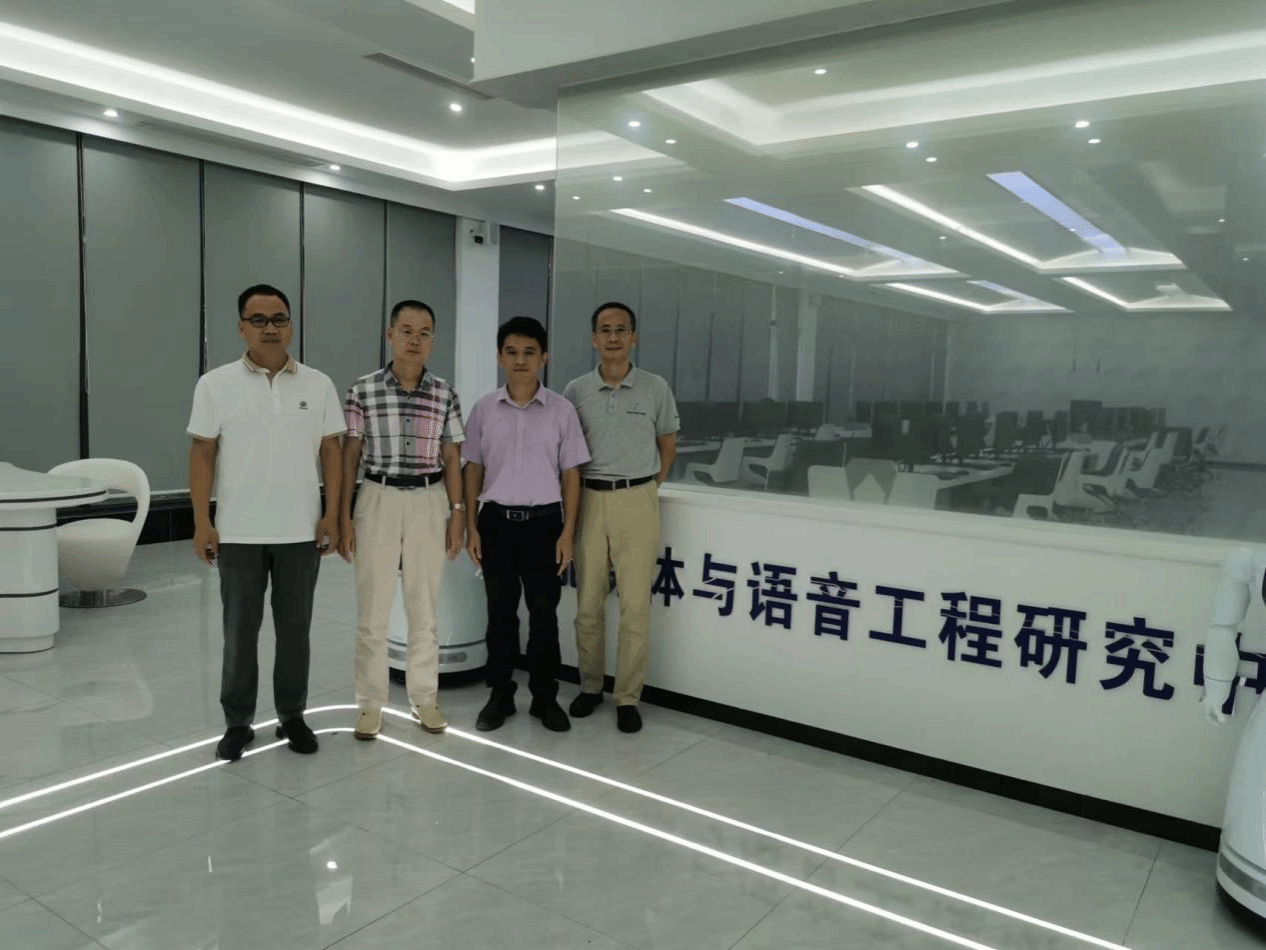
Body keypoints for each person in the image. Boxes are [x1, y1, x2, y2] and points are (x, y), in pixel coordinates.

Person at [188, 284, 344, 761]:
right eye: (258, 320)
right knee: (239, 634)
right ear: (241, 327)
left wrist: (332, 515)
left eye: (279, 319)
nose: (270, 328)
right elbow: (202, 452)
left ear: (291, 325)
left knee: (295, 633)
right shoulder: (214, 384)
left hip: (300, 531)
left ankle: (292, 715)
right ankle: (238, 722)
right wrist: (202, 521)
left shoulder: (318, 384)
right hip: (238, 533)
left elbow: (331, 451)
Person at [339, 300, 465, 739]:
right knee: (372, 608)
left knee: (423, 607)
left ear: (433, 340)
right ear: (390, 335)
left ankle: (424, 698)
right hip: (377, 497)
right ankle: (370, 704)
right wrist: (343, 515)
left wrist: (457, 514)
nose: (415, 340)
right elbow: (350, 455)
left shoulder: (445, 393)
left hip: (430, 499)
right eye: (407, 331)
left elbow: (453, 457)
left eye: (424, 332)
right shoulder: (363, 389)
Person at [462, 316, 590, 732]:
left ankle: (544, 697)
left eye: (529, 352)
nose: (521, 360)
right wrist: (471, 527)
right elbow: (473, 468)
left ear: (544, 358)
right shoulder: (484, 409)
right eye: (512, 352)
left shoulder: (562, 411)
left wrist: (568, 533)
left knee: (544, 615)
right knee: (500, 614)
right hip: (496, 524)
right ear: (500, 357)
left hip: (544, 525)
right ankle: (500, 695)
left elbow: (571, 474)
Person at [563, 302, 679, 733]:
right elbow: (567, 454)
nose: (613, 337)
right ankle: (591, 686)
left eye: (621, 329)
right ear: (594, 338)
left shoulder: (655, 388)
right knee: (588, 605)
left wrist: (647, 487)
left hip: (637, 499)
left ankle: (628, 697)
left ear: (634, 337)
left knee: (634, 607)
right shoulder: (576, 391)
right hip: (590, 501)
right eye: (605, 330)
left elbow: (668, 444)